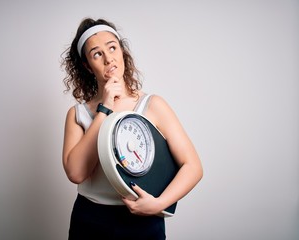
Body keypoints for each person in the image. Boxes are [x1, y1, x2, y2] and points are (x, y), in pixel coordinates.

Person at [61, 18, 203, 240]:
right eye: (97, 54)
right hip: (90, 219)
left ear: (121, 51)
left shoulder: (152, 105)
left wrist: (158, 204)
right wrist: (104, 109)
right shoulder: (77, 114)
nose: (109, 58)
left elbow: (193, 166)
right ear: (87, 66)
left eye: (112, 47)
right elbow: (77, 172)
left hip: (144, 221)